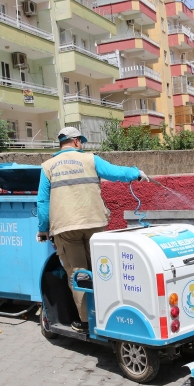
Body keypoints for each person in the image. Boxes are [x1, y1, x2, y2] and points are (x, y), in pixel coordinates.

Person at [37, 127, 148, 331]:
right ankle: (107, 316)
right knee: (101, 270)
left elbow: (43, 203)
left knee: (78, 272)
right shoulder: (90, 159)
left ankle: (86, 322)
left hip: (66, 228)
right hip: (95, 223)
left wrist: (43, 229)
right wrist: (136, 173)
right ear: (77, 141)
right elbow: (116, 173)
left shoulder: (47, 167)